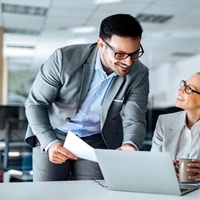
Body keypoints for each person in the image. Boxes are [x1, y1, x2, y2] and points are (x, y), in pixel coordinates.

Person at [24, 13, 149, 181]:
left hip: (97, 140)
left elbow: (135, 118)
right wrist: (50, 143)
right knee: (47, 193)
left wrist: (130, 144)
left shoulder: (138, 73)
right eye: (120, 54)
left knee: (93, 193)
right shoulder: (64, 59)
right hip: (54, 133)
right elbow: (35, 104)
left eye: (134, 54)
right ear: (101, 45)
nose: (128, 62)